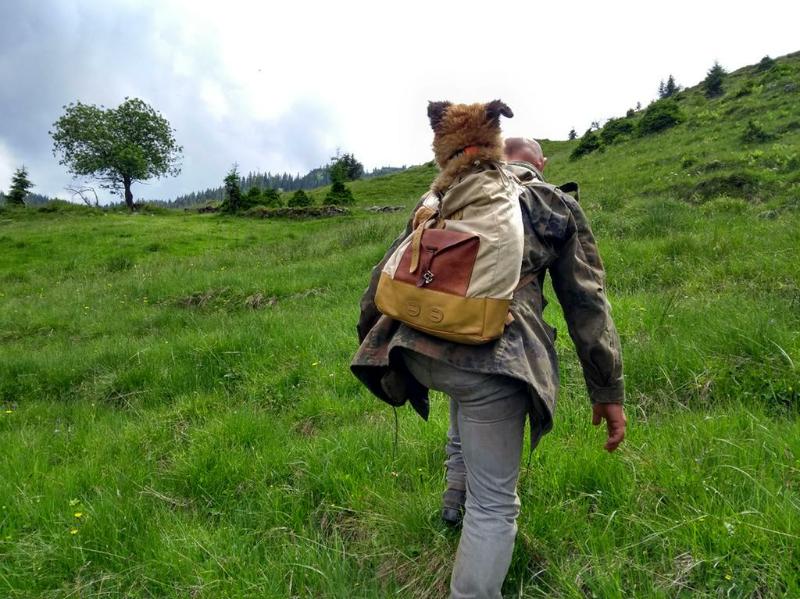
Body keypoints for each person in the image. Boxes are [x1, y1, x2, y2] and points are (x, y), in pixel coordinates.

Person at [352, 125, 626, 598]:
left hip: (413, 347)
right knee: (495, 504)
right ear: (539, 165)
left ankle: (451, 505)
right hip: (492, 355)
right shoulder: (551, 201)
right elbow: (587, 302)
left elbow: (386, 271)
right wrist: (607, 390)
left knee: (464, 397)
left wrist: (373, 343)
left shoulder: (449, 192)